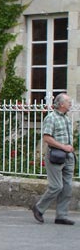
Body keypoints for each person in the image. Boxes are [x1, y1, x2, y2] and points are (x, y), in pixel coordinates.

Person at [32, 93, 76, 225]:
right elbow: (47, 138)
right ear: (61, 104)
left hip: (68, 157)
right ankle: (39, 208)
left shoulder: (67, 119)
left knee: (67, 188)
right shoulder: (51, 118)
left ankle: (61, 215)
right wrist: (63, 147)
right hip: (56, 155)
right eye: (68, 101)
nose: (70, 104)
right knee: (57, 186)